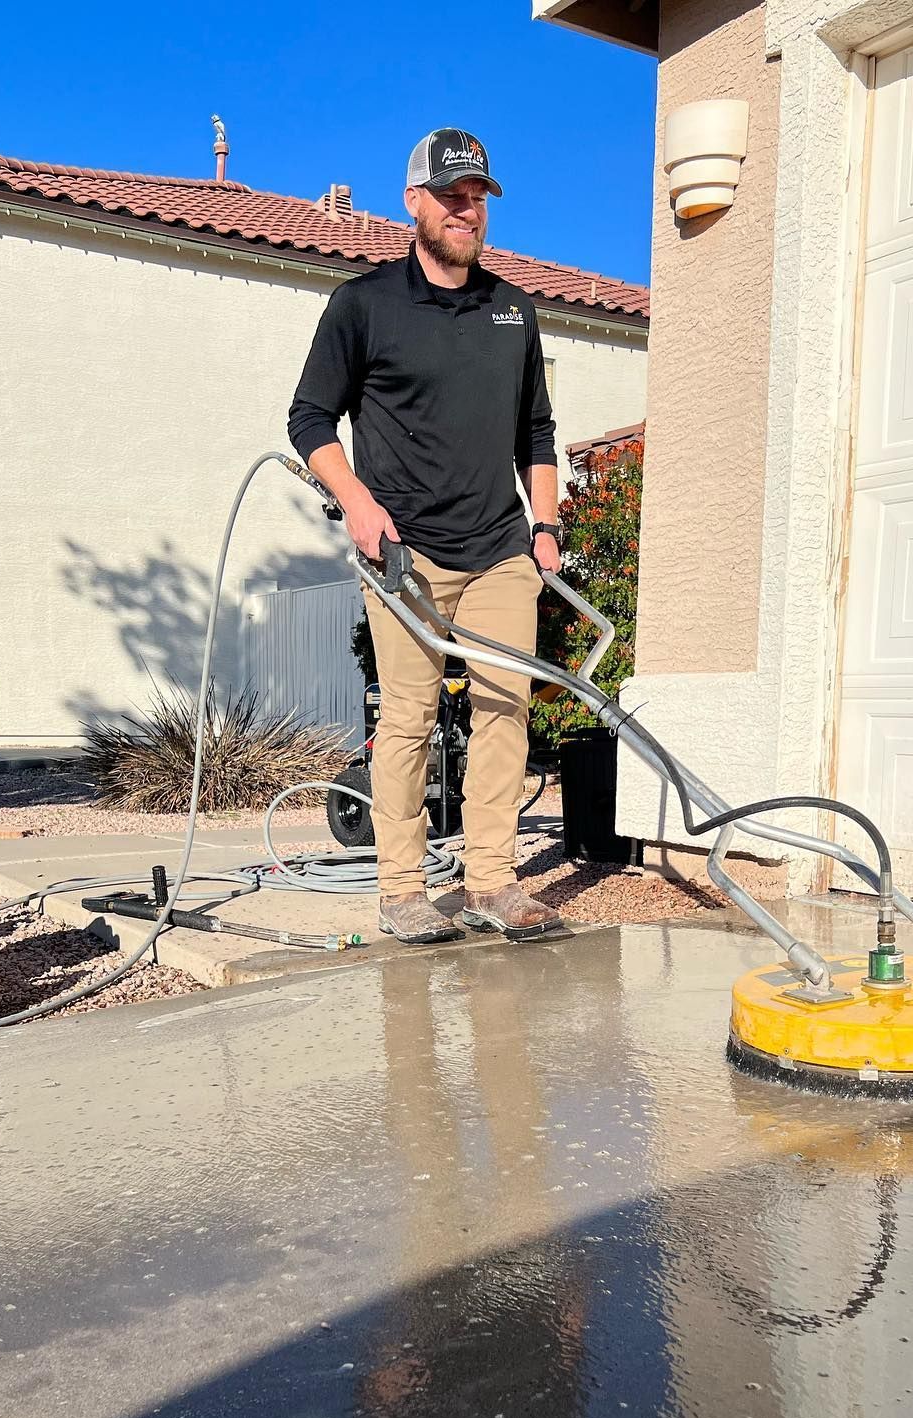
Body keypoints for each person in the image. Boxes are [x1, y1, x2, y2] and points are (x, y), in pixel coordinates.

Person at [289, 127, 565, 945]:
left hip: (500, 550)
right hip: (404, 554)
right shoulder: (364, 305)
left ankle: (492, 882)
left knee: (504, 712)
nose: (465, 210)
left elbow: (537, 431)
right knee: (409, 720)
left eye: (476, 197)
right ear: (413, 202)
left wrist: (545, 524)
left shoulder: (513, 311)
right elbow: (310, 419)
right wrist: (358, 505)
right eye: (450, 196)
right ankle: (402, 890)